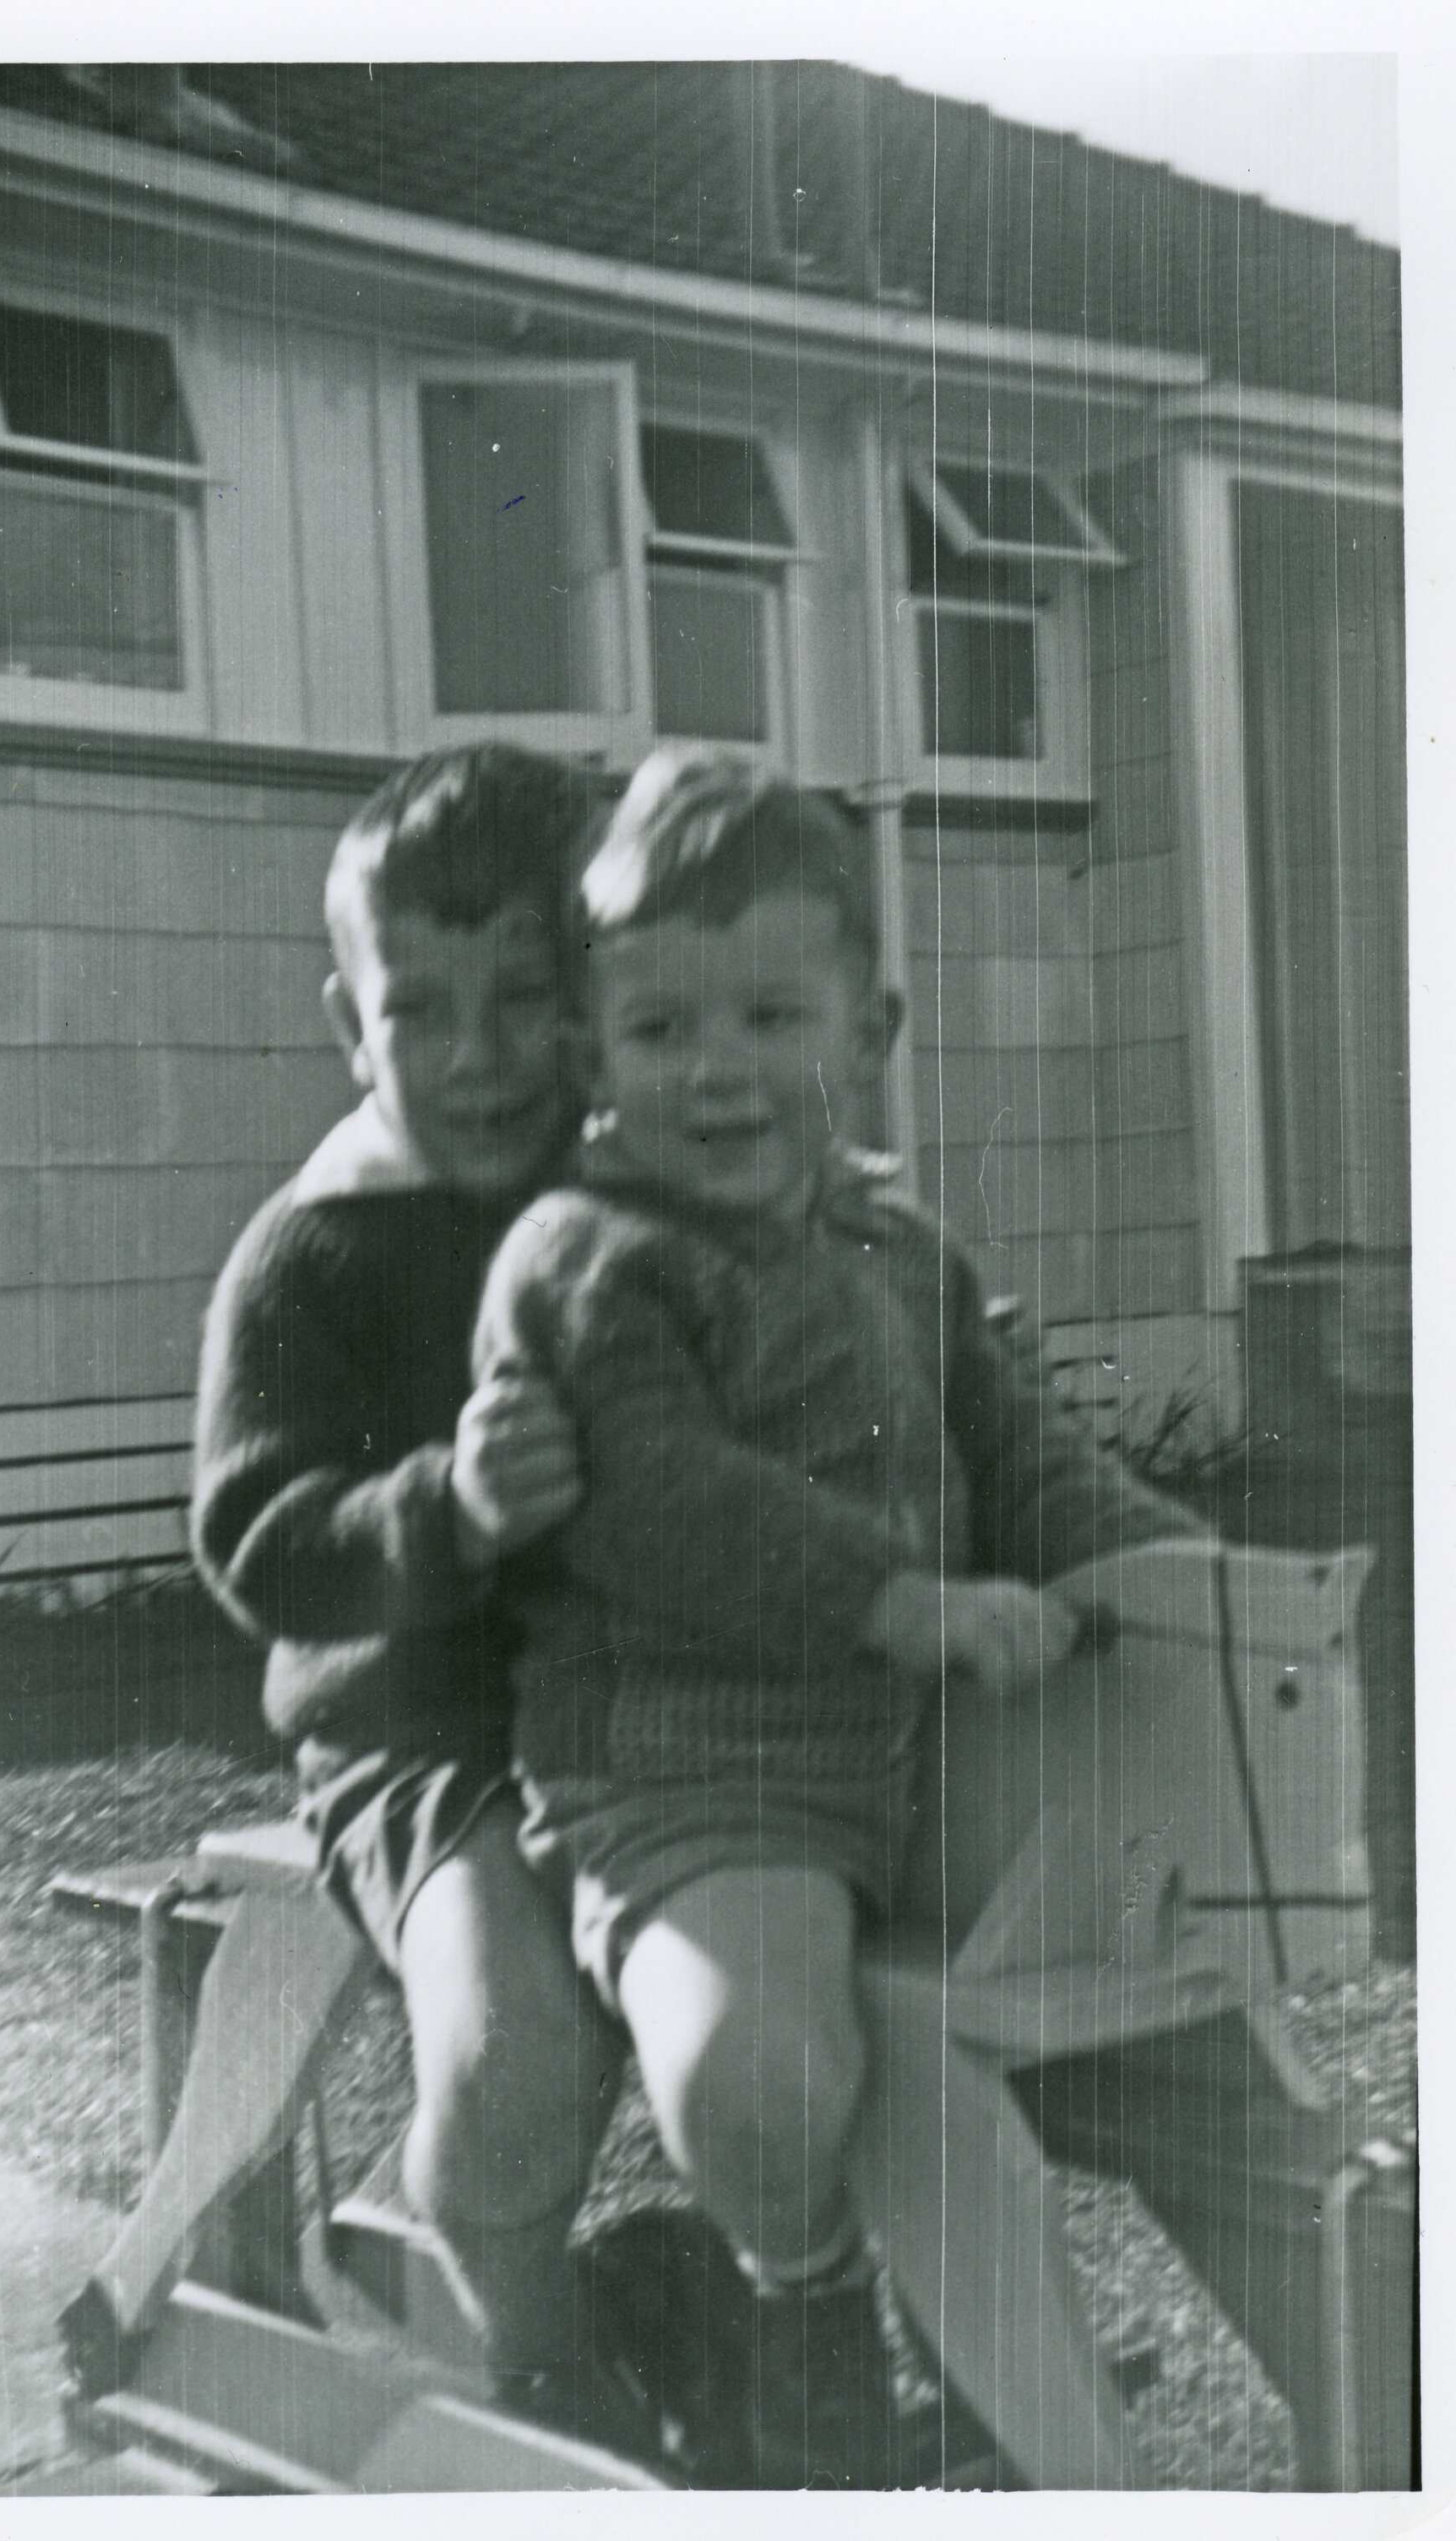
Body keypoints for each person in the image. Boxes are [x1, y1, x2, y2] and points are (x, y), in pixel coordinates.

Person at [465, 748, 1198, 2486]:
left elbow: (1027, 1458)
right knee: (764, 2073)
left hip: (916, 1741)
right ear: (594, 1052)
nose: (715, 1071)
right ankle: (795, 2333)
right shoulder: (586, 1255)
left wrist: (1193, 1587)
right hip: (695, 1764)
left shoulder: (896, 1244)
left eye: (767, 1017)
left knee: (1178, 1971)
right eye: (660, 1033)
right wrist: (897, 1596)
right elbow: (659, 1498)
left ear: (864, 1035)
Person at [191, 744, 646, 2454]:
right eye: (421, 1010)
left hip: (646, 1705)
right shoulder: (315, 1249)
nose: (474, 1055)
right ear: (347, 1026)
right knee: (516, 2030)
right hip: (422, 1738)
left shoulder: (629, 1202)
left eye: (524, 998)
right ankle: (532, 2377)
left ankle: (804, 2308)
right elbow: (254, 1535)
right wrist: (444, 1505)